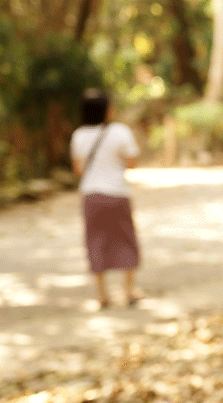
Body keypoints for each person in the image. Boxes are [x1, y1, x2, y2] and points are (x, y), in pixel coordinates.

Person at [70, 89, 141, 309]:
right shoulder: (120, 131)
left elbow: (78, 170)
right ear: (106, 110)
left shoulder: (78, 136)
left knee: (95, 241)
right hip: (117, 194)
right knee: (125, 239)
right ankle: (128, 291)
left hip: (91, 195)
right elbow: (131, 162)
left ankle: (102, 295)